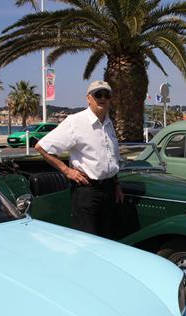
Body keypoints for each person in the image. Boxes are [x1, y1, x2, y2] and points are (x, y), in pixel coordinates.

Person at [35, 80, 123, 238]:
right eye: (98, 95)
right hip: (87, 191)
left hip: (109, 191)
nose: (102, 98)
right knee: (87, 241)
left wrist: (116, 184)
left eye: (106, 95)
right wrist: (67, 170)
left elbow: (111, 157)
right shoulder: (75, 122)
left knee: (106, 240)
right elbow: (42, 147)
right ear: (89, 98)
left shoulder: (109, 123)